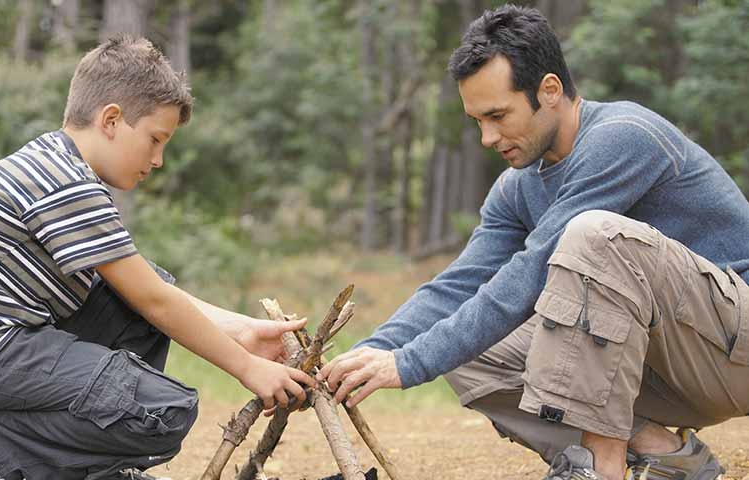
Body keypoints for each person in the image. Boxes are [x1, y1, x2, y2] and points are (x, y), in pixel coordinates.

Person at [318, 4, 749, 480]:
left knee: (591, 234)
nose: (487, 137)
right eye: (477, 120)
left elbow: (531, 271)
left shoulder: (624, 136)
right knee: (468, 349)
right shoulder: (517, 184)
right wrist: (370, 355)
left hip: (733, 353)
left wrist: (410, 364)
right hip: (659, 368)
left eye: (498, 115)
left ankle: (599, 466)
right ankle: (663, 453)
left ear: (549, 90)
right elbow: (459, 286)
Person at [0, 35, 315, 480]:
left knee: (140, 298)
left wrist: (244, 332)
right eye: (155, 140)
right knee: (163, 413)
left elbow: (147, 294)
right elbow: (155, 300)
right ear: (112, 120)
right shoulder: (64, 182)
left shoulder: (57, 163)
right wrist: (248, 368)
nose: (158, 160)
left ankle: (80, 467)